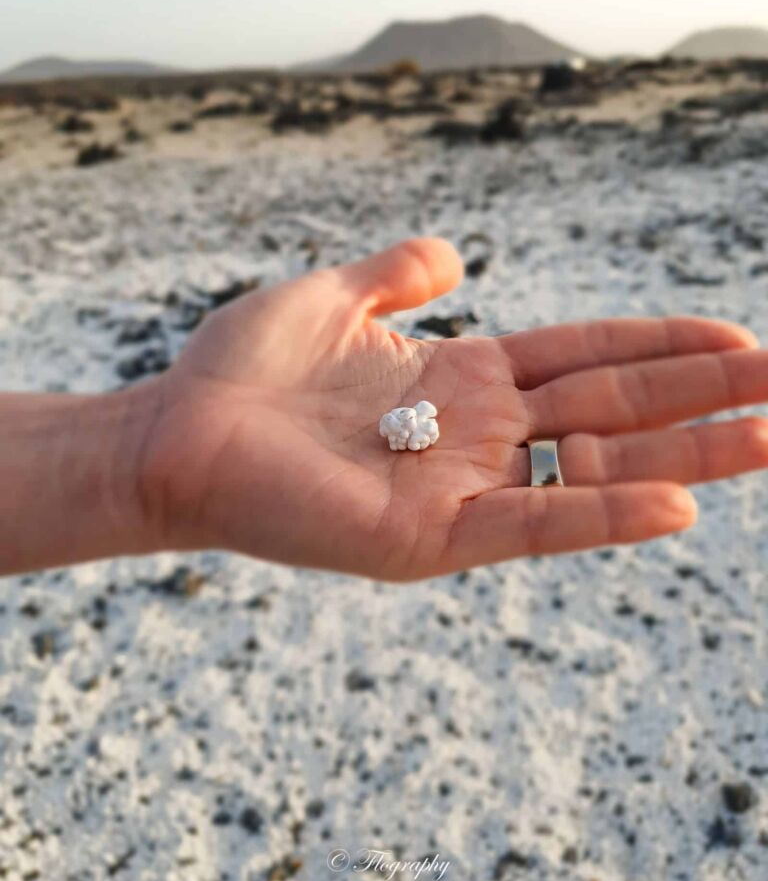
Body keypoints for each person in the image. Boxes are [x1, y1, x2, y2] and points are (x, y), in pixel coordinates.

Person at [1, 237, 767, 582]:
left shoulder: (413, 423)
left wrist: (137, 452)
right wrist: (142, 453)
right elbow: (407, 432)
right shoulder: (402, 424)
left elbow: (411, 431)